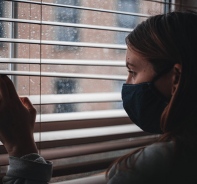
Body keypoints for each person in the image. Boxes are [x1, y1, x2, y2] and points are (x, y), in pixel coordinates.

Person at [1, 11, 197, 184]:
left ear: (176, 79)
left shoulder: (157, 167)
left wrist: (21, 148)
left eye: (133, 71)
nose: (127, 83)